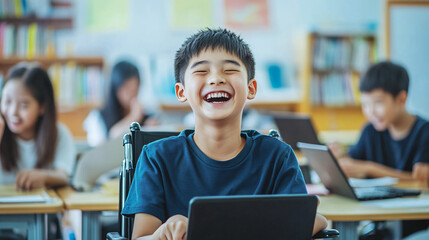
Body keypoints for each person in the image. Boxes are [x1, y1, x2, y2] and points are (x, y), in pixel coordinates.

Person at [122, 28, 327, 239]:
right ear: (181, 92)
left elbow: (315, 221)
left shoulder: (277, 156)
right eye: (201, 71)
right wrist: (163, 233)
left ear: (251, 88)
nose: (216, 79)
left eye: (230, 70)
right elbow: (141, 237)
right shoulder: (156, 157)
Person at [329, 61, 429, 238]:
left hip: (415, 222)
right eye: (365, 105)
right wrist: (342, 160)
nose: (371, 112)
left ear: (401, 99)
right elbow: (356, 164)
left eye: (378, 104)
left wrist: (369, 168)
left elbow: (419, 179)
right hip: (380, 220)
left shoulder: (424, 131)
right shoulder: (371, 130)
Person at [0, 62, 76, 189]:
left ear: (42, 107)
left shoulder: (59, 133)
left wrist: (44, 176)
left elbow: (63, 176)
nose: (13, 112)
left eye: (24, 105)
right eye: (7, 101)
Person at [83, 60, 155, 147]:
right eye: (127, 89)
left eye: (135, 88)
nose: (132, 94)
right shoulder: (97, 117)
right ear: (116, 88)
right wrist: (134, 117)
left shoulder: (148, 115)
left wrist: (152, 132)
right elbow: (102, 146)